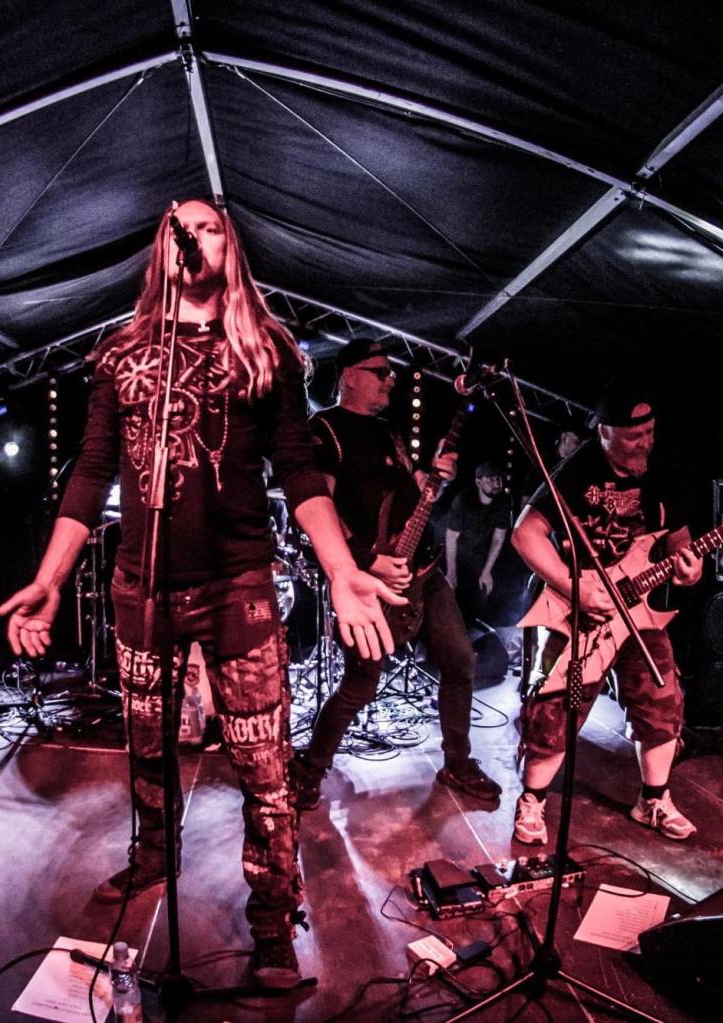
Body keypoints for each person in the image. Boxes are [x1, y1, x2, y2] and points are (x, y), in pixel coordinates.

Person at [0, 200, 403, 990]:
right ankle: (153, 852)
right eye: (181, 226)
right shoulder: (122, 354)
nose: (194, 234)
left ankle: (274, 917)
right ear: (163, 247)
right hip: (140, 586)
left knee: (263, 762)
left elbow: (298, 468)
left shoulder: (267, 350)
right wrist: (48, 577)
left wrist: (341, 566)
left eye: (209, 225)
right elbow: (91, 469)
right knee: (147, 742)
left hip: (238, 583)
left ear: (229, 245)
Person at [289, 339, 502, 810]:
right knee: (360, 684)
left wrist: (432, 479)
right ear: (349, 375)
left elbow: (409, 497)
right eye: (380, 372)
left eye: (391, 373)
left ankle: (457, 762)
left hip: (422, 570)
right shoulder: (326, 429)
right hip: (371, 579)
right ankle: (310, 768)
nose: (391, 380)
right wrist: (366, 560)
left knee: (461, 662)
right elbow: (318, 508)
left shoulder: (389, 433)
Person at [511, 388, 701, 844]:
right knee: (555, 707)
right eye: (634, 436)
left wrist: (689, 570)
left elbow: (680, 544)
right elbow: (525, 533)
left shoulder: (663, 473)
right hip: (576, 610)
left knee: (662, 697)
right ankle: (532, 800)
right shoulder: (576, 473)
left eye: (650, 432)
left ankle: (653, 800)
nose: (645, 443)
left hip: (637, 612)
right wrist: (574, 587)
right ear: (605, 433)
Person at [445, 462, 512, 624]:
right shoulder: (463, 500)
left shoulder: (503, 502)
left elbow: (498, 538)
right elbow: (451, 537)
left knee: (481, 594)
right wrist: (451, 572)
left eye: (498, 479)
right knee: (450, 594)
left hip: (478, 552)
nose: (496, 483)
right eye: (490, 479)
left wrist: (486, 571)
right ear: (478, 482)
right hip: (455, 552)